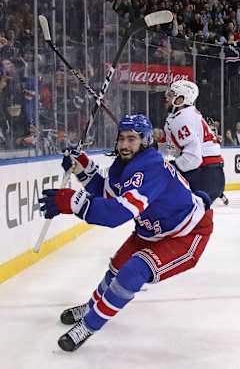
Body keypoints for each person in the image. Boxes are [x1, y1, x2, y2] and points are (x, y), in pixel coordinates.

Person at [39, 114, 214, 352]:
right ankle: (92, 305)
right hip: (151, 230)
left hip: (187, 233)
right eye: (121, 138)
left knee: (133, 272)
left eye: (132, 139)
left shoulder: (151, 167)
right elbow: (107, 194)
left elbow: (117, 213)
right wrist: (82, 167)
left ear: (146, 141)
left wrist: (72, 203)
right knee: (116, 267)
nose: (123, 145)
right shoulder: (122, 167)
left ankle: (89, 326)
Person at [163, 80, 226, 204]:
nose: (166, 97)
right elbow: (176, 147)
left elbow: (193, 157)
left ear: (180, 100)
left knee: (173, 211)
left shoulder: (181, 119)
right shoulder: (187, 114)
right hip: (213, 174)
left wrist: (173, 167)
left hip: (203, 175)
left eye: (170, 95)